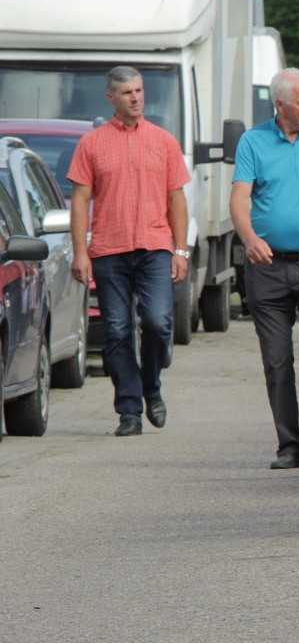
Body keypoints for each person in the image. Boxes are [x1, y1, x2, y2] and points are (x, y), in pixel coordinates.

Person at [68, 66, 190, 437]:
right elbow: (80, 201)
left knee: (157, 322)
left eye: (138, 91)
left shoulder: (164, 141)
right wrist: (80, 252)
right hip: (109, 249)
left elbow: (176, 199)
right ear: (111, 98)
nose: (135, 98)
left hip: (155, 247)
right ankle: (129, 410)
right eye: (126, 93)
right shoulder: (91, 144)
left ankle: (151, 385)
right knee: (118, 330)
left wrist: (180, 250)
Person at [231, 67, 299, 470]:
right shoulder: (253, 141)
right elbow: (240, 199)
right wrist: (250, 239)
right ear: (280, 105)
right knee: (276, 360)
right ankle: (289, 444)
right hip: (268, 266)